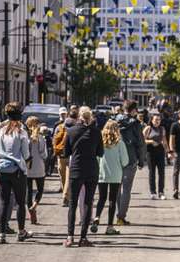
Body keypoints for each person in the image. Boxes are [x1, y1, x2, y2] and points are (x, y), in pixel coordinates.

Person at [0, 102, 32, 245]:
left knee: (3, 200)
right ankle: (21, 232)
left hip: (1, 169)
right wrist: (26, 160)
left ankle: (1, 233)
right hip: (17, 170)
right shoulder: (21, 131)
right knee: (20, 202)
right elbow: (26, 153)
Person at [63, 106, 104, 247]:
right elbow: (100, 153)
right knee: (88, 203)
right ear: (90, 117)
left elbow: (65, 152)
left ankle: (70, 237)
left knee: (73, 204)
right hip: (91, 169)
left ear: (79, 117)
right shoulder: (96, 132)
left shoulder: (71, 131)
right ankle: (83, 237)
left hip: (76, 169)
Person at [91, 120, 129, 235]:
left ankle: (97, 217)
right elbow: (125, 161)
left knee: (102, 198)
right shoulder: (120, 143)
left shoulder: (100, 142)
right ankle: (109, 226)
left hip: (102, 174)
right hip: (116, 175)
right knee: (112, 199)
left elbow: (96, 158)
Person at [115, 100, 146, 226]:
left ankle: (115, 212)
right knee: (126, 189)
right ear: (133, 110)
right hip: (130, 158)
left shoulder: (115, 122)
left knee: (117, 188)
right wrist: (141, 160)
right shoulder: (136, 124)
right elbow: (140, 143)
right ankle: (121, 217)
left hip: (116, 158)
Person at [25, 116, 47, 225]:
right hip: (39, 166)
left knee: (28, 190)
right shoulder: (40, 137)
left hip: (27, 166)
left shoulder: (25, 137)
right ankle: (34, 205)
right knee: (40, 189)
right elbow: (44, 153)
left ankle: (30, 211)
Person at [54, 106, 78, 206]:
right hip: (71, 155)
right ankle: (66, 196)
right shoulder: (75, 128)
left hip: (60, 155)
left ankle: (66, 195)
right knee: (68, 177)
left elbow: (54, 140)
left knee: (63, 177)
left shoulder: (59, 127)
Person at [144, 113, 169, 200]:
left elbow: (165, 141)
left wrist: (168, 151)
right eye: (156, 120)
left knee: (161, 173)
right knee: (152, 172)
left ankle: (161, 192)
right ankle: (153, 192)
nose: (157, 121)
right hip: (150, 152)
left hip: (160, 152)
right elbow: (142, 140)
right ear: (152, 120)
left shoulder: (162, 129)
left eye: (159, 120)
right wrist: (151, 142)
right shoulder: (148, 128)